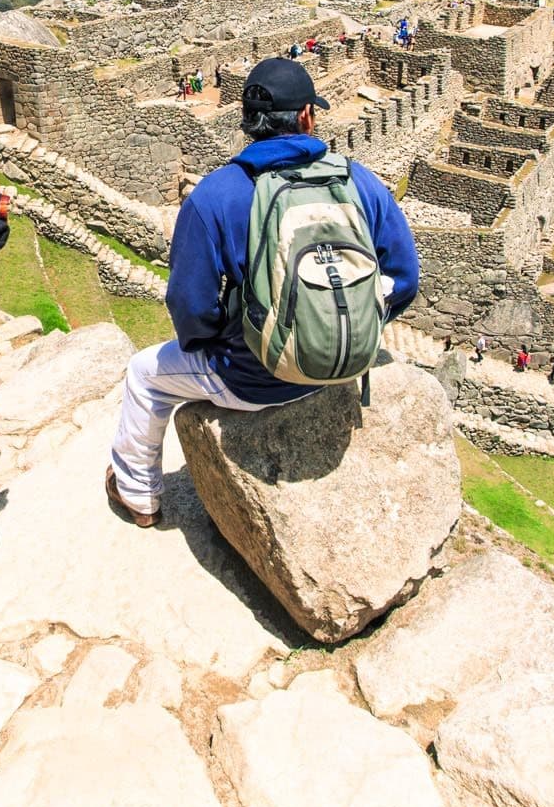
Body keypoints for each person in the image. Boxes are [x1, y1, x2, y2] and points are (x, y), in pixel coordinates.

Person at [105, 57, 419, 527]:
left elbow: (190, 304)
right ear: (308, 116)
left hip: (255, 376)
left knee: (143, 374)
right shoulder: (360, 182)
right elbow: (405, 279)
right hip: (348, 360)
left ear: (248, 125)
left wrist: (216, 348)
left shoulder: (216, 196)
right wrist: (348, 325)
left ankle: (138, 495)